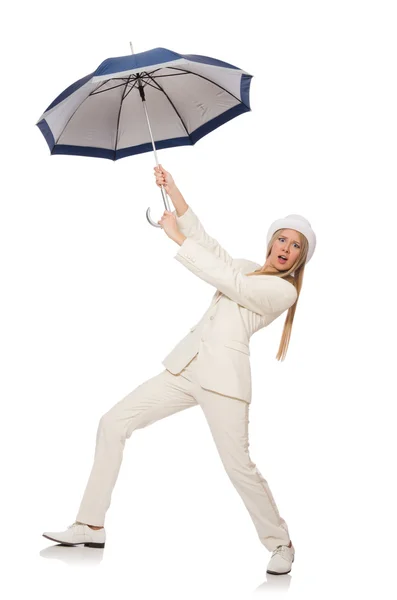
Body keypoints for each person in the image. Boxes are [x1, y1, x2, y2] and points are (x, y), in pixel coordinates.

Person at [43, 165, 316, 576]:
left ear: (300, 258)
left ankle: (281, 544)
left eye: (295, 246)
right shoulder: (244, 265)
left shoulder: (283, 290)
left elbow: (232, 283)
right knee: (113, 422)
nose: (285, 247)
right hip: (186, 368)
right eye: (281, 238)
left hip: (224, 383)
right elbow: (210, 247)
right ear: (270, 242)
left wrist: (176, 239)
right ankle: (90, 523)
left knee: (238, 467)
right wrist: (173, 190)